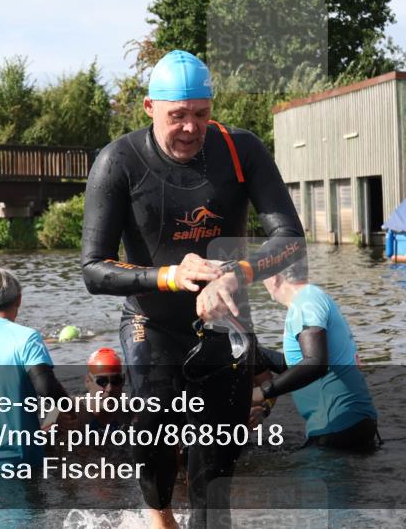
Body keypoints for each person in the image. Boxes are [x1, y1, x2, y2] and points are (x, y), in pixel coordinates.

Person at [81, 49, 305, 529]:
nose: (189, 128)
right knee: (155, 443)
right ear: (149, 108)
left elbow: (290, 237)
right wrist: (169, 276)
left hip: (224, 323)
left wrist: (235, 272)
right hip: (151, 323)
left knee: (215, 469)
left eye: (200, 115)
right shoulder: (117, 162)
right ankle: (159, 519)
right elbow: (93, 270)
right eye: (176, 116)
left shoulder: (241, 150)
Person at [251, 258, 378, 451]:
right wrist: (255, 354)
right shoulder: (311, 297)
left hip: (337, 428)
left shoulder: (306, 303)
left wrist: (262, 392)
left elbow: (315, 363)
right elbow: (298, 365)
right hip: (351, 423)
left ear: (275, 277)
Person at [0, 268, 70, 477]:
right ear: (19, 300)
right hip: (19, 460)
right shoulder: (27, 338)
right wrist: (69, 410)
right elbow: (46, 388)